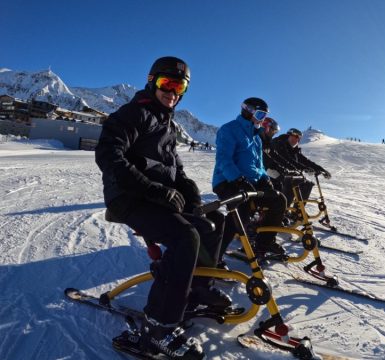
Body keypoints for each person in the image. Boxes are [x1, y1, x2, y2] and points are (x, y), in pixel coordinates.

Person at [95, 56, 230, 359]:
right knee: (186, 237)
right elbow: (108, 155)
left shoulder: (167, 124)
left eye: (178, 85)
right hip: (128, 197)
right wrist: (152, 189)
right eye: (165, 83)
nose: (171, 91)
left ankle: (196, 292)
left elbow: (177, 173)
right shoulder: (134, 113)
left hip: (156, 197)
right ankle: (158, 330)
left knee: (213, 223)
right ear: (151, 81)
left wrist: (192, 195)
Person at [211, 97, 287, 259]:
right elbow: (224, 159)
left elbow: (258, 166)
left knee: (279, 200)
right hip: (226, 181)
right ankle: (212, 258)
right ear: (247, 111)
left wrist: (265, 180)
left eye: (264, 116)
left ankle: (261, 246)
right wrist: (238, 180)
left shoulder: (257, 138)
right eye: (260, 115)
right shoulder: (229, 129)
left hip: (251, 183)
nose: (262, 120)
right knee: (240, 213)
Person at [270, 128, 331, 207]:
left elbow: (306, 161)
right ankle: (283, 210)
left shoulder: (294, 150)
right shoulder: (280, 144)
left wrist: (321, 169)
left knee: (307, 184)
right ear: (288, 136)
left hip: (288, 174)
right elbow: (287, 159)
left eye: (298, 138)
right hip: (274, 172)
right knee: (292, 183)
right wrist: (304, 168)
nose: (295, 140)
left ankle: (298, 211)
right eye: (293, 137)